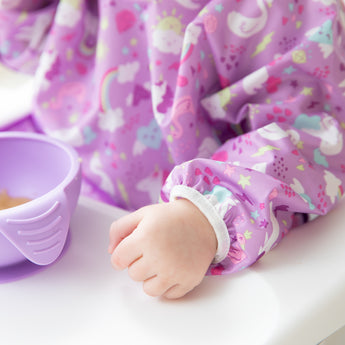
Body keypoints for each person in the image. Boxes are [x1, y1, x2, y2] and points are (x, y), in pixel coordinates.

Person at [1, 0, 344, 299]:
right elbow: (36, 47)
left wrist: (203, 217)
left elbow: (310, 136)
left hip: (180, 228)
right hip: (60, 179)